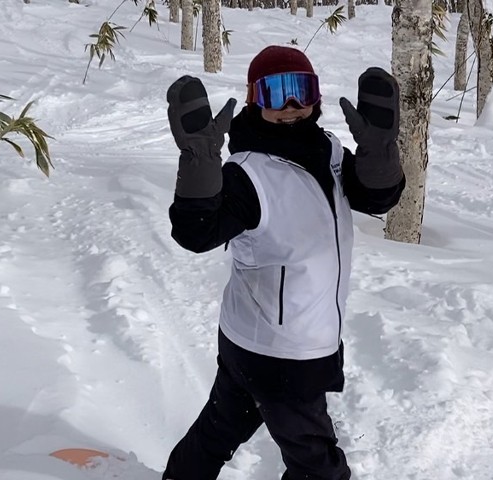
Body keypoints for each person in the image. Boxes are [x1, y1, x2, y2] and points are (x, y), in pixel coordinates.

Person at [162, 45, 406, 480]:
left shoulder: (327, 152)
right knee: (318, 468)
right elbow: (197, 233)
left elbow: (376, 198)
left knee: (219, 429)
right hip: (280, 355)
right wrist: (200, 160)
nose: (292, 106)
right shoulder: (247, 173)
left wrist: (379, 150)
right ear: (255, 99)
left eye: (302, 90)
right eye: (277, 93)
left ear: (316, 96)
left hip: (259, 340)